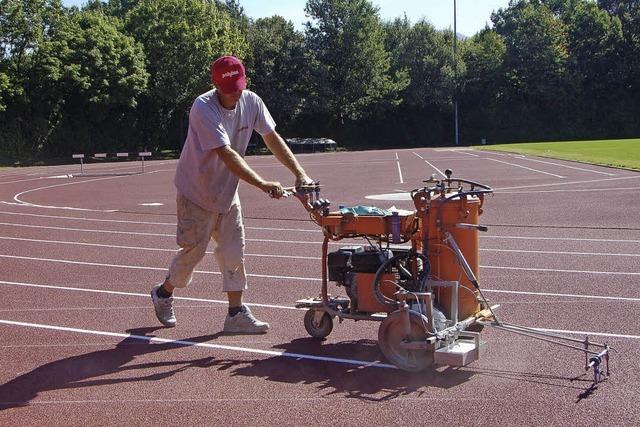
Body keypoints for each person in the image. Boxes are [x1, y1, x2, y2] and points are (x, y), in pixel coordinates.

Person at [151, 55, 312, 334]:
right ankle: (163, 293)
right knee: (193, 253)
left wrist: (299, 173)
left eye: (239, 86)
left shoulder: (251, 101)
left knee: (234, 252)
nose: (235, 93)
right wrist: (263, 184)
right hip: (196, 193)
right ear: (216, 86)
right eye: (229, 89)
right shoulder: (203, 108)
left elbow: (271, 137)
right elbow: (226, 154)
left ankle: (235, 313)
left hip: (227, 193)